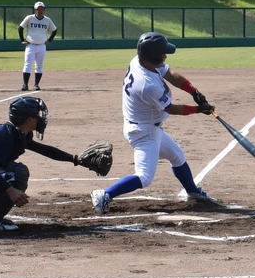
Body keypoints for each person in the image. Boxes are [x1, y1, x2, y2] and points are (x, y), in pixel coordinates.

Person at [90, 32, 216, 215]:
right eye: (163, 53)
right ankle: (105, 195)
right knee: (144, 177)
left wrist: (194, 92)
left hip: (148, 127)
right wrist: (198, 110)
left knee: (177, 155)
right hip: (143, 131)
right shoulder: (147, 85)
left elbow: (170, 74)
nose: (165, 56)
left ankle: (194, 193)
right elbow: (170, 109)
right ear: (153, 56)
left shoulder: (141, 60)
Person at [0, 96, 94, 231]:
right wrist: (10, 190)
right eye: (37, 115)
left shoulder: (18, 133)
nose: (41, 118)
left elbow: (44, 150)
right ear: (29, 120)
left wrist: (76, 159)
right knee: (17, 173)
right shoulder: (6, 135)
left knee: (9, 172)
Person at [19, 1, 57, 91]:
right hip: (30, 45)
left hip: (41, 45)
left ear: (44, 10)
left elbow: (54, 30)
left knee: (39, 65)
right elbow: (20, 28)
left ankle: (36, 85)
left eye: (42, 9)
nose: (40, 10)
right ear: (35, 9)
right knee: (28, 65)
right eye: (38, 9)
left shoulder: (47, 20)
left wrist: (49, 40)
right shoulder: (29, 18)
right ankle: (25, 84)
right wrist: (22, 40)